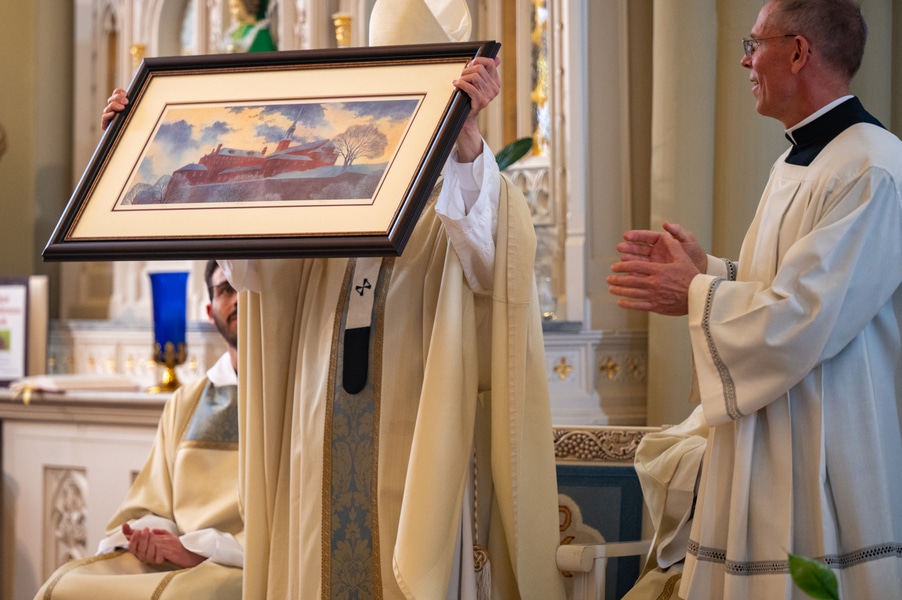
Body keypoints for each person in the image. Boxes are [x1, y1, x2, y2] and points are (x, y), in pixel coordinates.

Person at [608, 0, 902, 598]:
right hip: (771, 432)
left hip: (828, 436)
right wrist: (709, 273)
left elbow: (806, 316)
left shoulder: (871, 167)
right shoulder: (797, 158)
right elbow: (786, 284)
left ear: (798, 53)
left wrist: (696, 293)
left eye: (755, 44)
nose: (745, 61)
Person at [34, 261, 244, 599]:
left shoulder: (291, 398)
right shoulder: (187, 402)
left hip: (240, 564)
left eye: (245, 288)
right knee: (64, 587)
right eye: (225, 290)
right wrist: (152, 538)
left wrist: (200, 551)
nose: (237, 300)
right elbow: (150, 502)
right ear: (209, 311)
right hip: (176, 555)